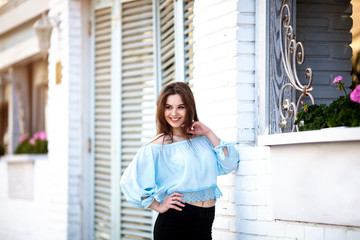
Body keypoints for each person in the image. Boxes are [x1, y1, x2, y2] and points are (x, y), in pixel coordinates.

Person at [120, 82, 239, 240]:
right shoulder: (158, 145)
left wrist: (208, 132)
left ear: (189, 107)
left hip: (205, 224)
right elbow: (129, 182)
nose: (174, 113)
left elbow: (230, 163)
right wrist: (158, 205)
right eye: (168, 107)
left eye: (180, 107)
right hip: (175, 224)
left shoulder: (202, 138)